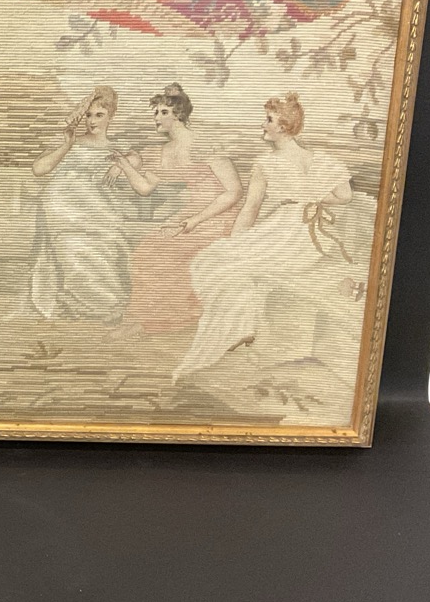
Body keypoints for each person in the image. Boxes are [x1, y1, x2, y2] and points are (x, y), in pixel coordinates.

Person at [173, 93, 353, 380]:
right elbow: (344, 195)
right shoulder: (320, 160)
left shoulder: (265, 164)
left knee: (212, 260)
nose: (263, 124)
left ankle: (239, 327)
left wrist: (236, 243)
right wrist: (312, 198)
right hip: (313, 236)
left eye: (268, 119)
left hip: (288, 232)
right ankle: (243, 326)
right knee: (227, 263)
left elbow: (251, 209)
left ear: (283, 126)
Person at [107, 84, 242, 335]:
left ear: (178, 114)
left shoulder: (204, 144)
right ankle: (146, 319)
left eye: (163, 112)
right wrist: (125, 165)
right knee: (145, 252)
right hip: (191, 214)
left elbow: (234, 192)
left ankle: (166, 320)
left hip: (219, 215)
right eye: (155, 113)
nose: (157, 118)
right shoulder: (165, 152)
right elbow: (145, 187)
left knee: (169, 253)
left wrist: (196, 220)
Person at [29, 85, 133, 323]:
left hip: (96, 210)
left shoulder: (115, 149)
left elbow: (136, 159)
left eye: (99, 115)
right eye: (88, 115)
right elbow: (39, 169)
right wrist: (66, 145)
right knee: (73, 247)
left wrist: (120, 166)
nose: (92, 121)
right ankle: (99, 305)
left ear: (111, 116)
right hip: (62, 209)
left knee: (107, 243)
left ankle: (101, 304)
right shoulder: (72, 142)